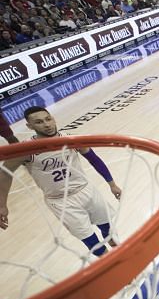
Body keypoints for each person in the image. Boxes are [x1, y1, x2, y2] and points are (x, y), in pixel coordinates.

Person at [0, 107, 122, 255]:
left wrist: (112, 184)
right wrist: (2, 205)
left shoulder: (70, 139)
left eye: (48, 119)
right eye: (39, 122)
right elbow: (5, 173)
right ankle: (112, 267)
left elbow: (93, 159)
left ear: (53, 118)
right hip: (60, 202)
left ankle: (121, 256)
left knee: (109, 231)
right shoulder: (26, 149)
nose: (46, 125)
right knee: (91, 241)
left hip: (86, 191)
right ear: (30, 126)